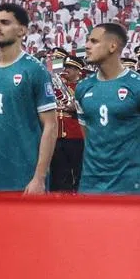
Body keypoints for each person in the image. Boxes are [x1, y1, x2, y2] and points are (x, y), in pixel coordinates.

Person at [0, 3, 57, 194]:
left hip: (26, 179)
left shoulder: (35, 70)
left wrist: (39, 178)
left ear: (22, 31)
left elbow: (51, 125)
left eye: (5, 22)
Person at [74, 23, 140, 195]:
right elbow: (90, 138)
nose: (86, 46)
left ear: (112, 46)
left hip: (128, 188)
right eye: (87, 41)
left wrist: (136, 174)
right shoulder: (82, 88)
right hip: (89, 186)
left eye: (94, 41)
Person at [51, 55, 85, 193]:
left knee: (78, 171)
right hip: (58, 134)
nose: (66, 70)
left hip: (76, 134)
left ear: (78, 71)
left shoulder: (83, 87)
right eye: (65, 67)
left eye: (71, 68)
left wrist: (75, 108)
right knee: (59, 173)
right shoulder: (56, 87)